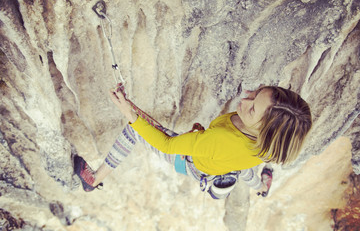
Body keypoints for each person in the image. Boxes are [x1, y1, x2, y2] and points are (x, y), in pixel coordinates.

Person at [74, 84, 312, 199]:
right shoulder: (266, 145)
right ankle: (262, 188)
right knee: (247, 172)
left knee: (135, 130)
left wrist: (128, 111)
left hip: (189, 162)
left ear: (265, 129)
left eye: (251, 109)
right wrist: (202, 139)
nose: (245, 99)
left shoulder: (220, 141)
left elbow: (166, 144)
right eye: (256, 93)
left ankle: (94, 180)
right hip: (231, 163)